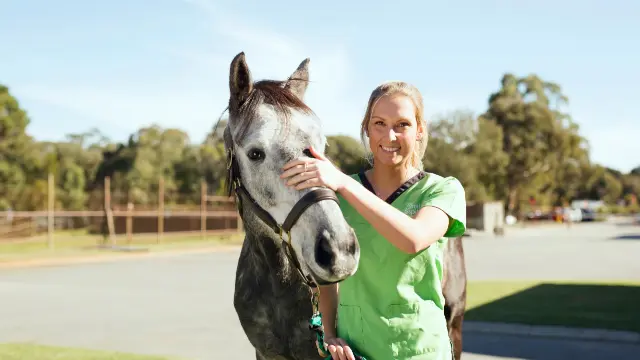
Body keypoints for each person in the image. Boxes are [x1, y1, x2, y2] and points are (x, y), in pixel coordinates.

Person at [280, 81, 467, 360]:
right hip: (356, 351)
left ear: (419, 131)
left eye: (402, 124)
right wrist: (330, 333)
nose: (389, 136)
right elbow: (328, 274)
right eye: (379, 123)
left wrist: (342, 183)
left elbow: (413, 239)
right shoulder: (338, 195)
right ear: (366, 128)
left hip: (419, 351)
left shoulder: (442, 190)